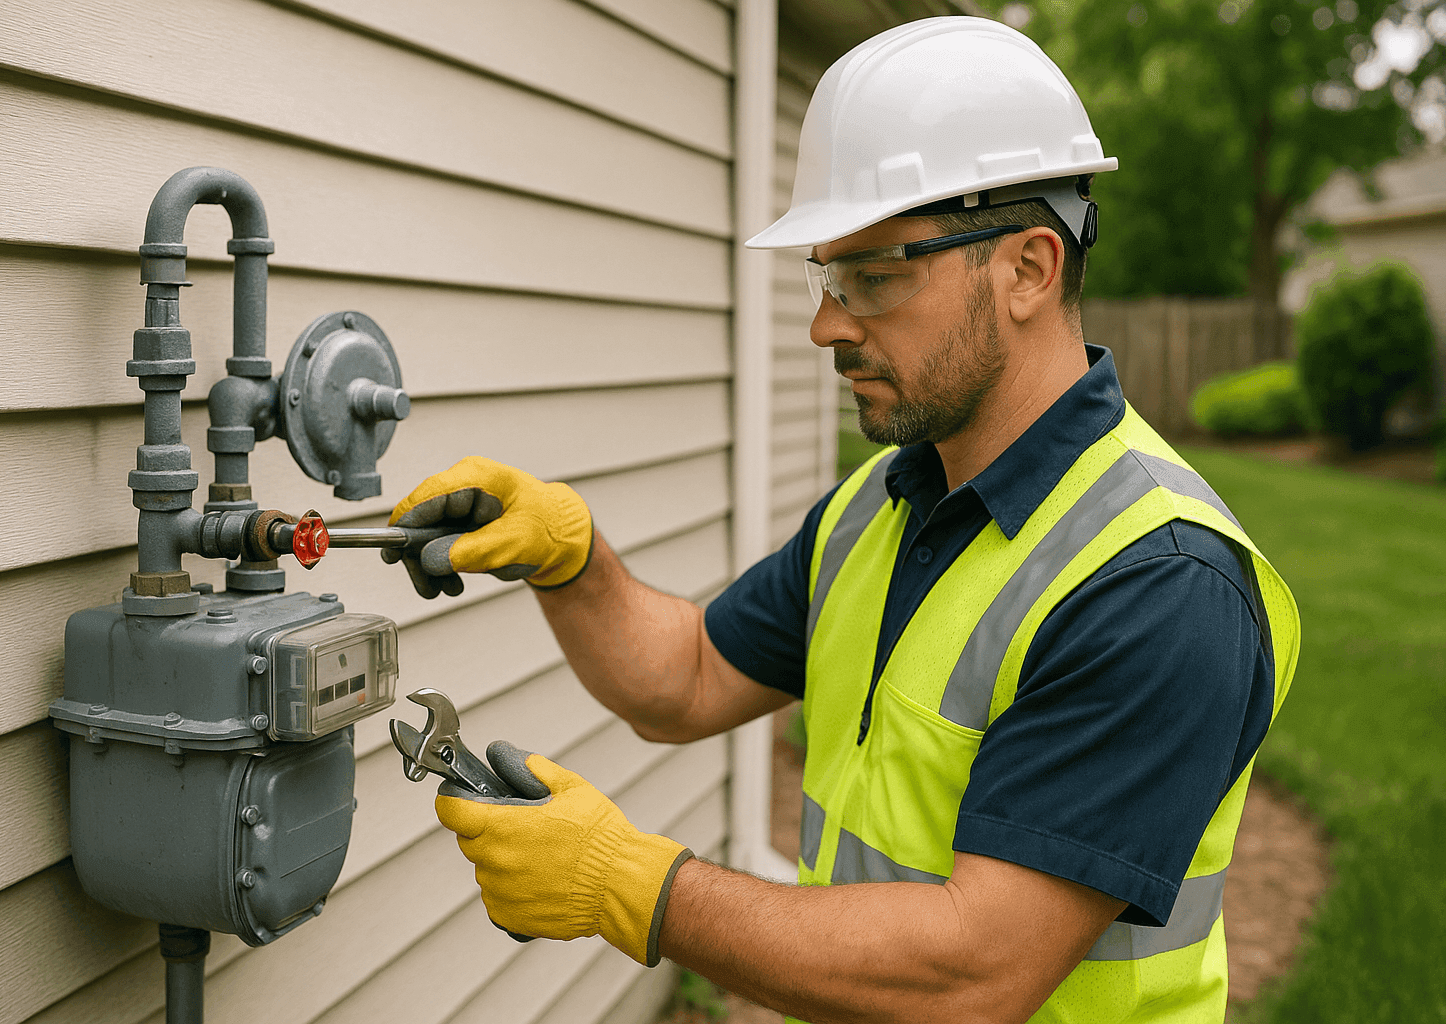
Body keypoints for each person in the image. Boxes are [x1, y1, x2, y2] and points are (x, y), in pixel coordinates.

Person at [385, 18, 1299, 1024]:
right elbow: (685, 678)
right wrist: (573, 561)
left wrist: (632, 886)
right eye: (826, 276)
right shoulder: (884, 503)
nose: (826, 323)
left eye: (874, 276)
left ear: (1030, 269)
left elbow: (976, 972)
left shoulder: (1158, 583)